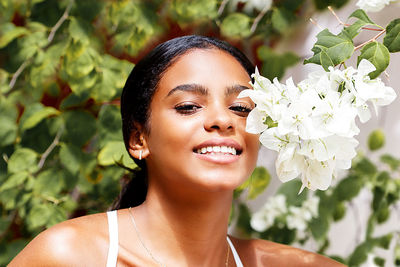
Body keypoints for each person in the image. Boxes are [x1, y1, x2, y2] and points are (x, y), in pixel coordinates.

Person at [10, 35, 345, 266]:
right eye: (188, 106)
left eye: (242, 108)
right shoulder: (70, 255)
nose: (222, 120)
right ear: (139, 139)